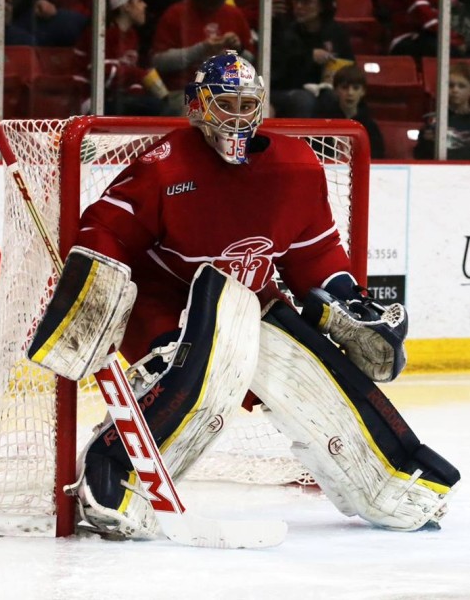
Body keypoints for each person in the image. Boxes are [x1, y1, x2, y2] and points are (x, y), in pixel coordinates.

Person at [26, 50, 459, 540]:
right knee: (201, 381)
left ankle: (392, 483)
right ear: (196, 107)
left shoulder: (295, 166)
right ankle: (113, 473)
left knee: (316, 377)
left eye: (246, 102)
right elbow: (108, 229)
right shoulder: (164, 166)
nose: (236, 115)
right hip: (165, 300)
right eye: (224, 103)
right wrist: (94, 281)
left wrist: (349, 302)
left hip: (249, 299)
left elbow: (314, 256)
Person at [150, 0, 255, 114]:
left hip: (231, 92)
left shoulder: (235, 14)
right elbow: (159, 62)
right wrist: (201, 49)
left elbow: (252, 61)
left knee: (262, 111)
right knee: (201, 113)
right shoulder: (176, 13)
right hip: (186, 92)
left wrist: (237, 50)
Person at [77, 0, 170, 115]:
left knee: (157, 106)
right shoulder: (101, 33)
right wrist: (140, 75)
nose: (144, 5)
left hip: (116, 99)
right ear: (125, 6)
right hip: (92, 104)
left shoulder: (131, 35)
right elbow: (104, 75)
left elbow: (129, 80)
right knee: (153, 107)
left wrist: (138, 91)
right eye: (139, 0)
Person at [271, 0, 354, 117]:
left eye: (306, 1)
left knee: (334, 98)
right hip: (285, 91)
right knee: (303, 99)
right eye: (296, 0)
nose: (298, 6)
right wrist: (309, 58)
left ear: (322, 5)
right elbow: (278, 75)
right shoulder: (285, 30)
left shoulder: (335, 33)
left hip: (321, 92)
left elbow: (350, 69)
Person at [314, 64, 385, 158]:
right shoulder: (324, 120)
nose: (350, 93)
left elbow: (377, 154)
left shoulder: (369, 125)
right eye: (344, 87)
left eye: (355, 88)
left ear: (363, 91)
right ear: (335, 90)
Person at [414, 61, 470, 160]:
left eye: (461, 86)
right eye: (451, 85)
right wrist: (427, 142)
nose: (455, 90)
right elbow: (420, 155)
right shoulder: (434, 120)